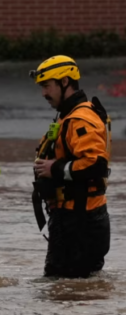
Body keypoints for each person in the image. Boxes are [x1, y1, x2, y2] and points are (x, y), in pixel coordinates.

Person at [30, 55, 112, 278]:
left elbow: (96, 165)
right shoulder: (68, 116)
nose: (44, 93)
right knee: (67, 293)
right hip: (72, 218)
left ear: (65, 82)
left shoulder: (80, 119)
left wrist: (55, 169)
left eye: (47, 86)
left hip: (80, 222)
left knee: (67, 291)